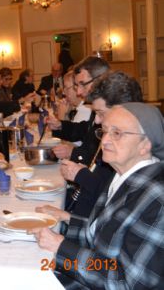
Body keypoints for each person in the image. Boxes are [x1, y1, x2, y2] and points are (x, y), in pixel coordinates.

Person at [30, 103, 164, 289]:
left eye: (117, 133)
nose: (105, 140)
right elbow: (103, 234)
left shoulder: (157, 198)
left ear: (145, 145)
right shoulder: (120, 176)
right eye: (104, 132)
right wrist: (66, 224)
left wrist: (62, 247)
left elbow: (126, 283)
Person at [59, 71, 143, 217]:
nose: (96, 121)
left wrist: (82, 175)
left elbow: (109, 205)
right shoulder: (112, 138)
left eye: (101, 113)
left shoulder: (133, 150)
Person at [48, 56, 110, 165]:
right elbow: (85, 129)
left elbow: (101, 158)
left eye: (82, 84)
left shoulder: (113, 109)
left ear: (99, 80)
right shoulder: (96, 104)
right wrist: (60, 125)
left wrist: (73, 153)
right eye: (77, 86)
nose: (79, 92)